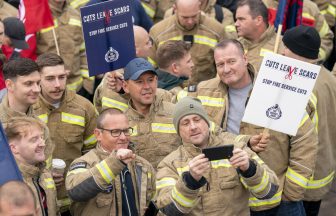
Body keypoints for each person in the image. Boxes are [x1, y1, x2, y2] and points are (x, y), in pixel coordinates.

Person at [185, 39, 318, 215]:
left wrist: (291, 193)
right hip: (230, 202)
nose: (226, 69)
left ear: (245, 58)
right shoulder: (203, 91)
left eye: (232, 61)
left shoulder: (276, 88)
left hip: (276, 200)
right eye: (220, 64)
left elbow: (305, 142)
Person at [155, 96, 279, 215]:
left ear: (207, 123)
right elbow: (169, 210)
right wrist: (190, 181)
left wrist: (249, 169)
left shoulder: (237, 149)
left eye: (197, 120)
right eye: (185, 123)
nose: (193, 127)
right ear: (178, 130)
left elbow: (269, 191)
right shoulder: (169, 164)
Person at [282, 25, 336, 216]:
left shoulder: (302, 88)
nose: (282, 51)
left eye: (285, 47)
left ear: (296, 52)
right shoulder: (329, 78)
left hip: (303, 178)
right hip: (324, 169)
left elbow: (294, 138)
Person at [34, 53, 98, 214]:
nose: (58, 84)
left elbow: (94, 151)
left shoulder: (84, 107)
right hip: (39, 201)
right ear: (38, 79)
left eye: (61, 77)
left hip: (75, 200)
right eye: (50, 78)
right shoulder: (28, 108)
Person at [66, 108, 156, 216]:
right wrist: (115, 163)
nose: (123, 137)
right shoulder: (85, 163)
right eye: (116, 132)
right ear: (98, 134)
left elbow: (155, 201)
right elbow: (75, 192)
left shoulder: (143, 165)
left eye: (126, 131)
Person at [150, 0, 226, 85]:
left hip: (205, 92)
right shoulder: (158, 32)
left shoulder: (216, 30)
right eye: (185, 17)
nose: (190, 21)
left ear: (199, 7)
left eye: (194, 16)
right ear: (175, 9)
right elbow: (151, 69)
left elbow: (225, 66)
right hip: (170, 92)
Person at [0, 57, 54, 166]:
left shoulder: (41, 126)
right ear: (10, 85)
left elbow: (44, 168)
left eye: (38, 83)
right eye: (28, 83)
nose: (37, 89)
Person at [36, 0, 93, 100]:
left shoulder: (76, 15)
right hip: (45, 94)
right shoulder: (36, 16)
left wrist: (88, 84)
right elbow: (29, 54)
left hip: (77, 91)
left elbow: (85, 50)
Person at [6, 117, 58, 215]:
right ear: (14, 148)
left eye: (42, 137)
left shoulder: (44, 174)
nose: (43, 144)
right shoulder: (8, 183)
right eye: (34, 140)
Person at [262, 0, 334, 62]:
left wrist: (311, 57)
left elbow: (325, 38)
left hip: (301, 70)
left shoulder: (310, 8)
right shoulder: (260, 4)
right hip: (264, 64)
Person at [236, 0, 284, 72]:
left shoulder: (282, 46)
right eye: (236, 19)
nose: (236, 24)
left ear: (258, 20)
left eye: (241, 19)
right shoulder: (235, 46)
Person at [164, 0, 238, 39]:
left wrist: (208, 22)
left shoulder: (223, 14)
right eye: (185, 17)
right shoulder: (171, 13)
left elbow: (233, 41)